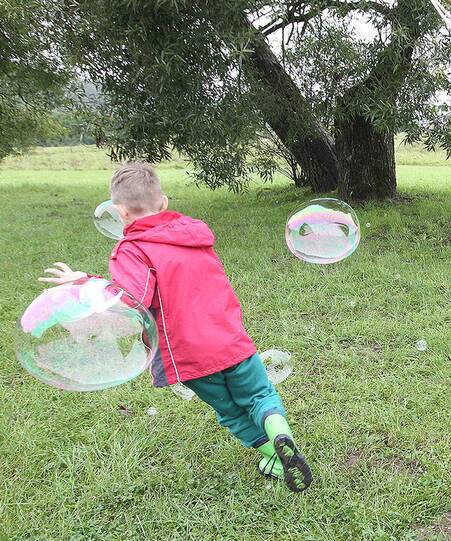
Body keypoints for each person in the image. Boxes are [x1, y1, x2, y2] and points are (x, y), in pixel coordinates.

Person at [39, 162, 312, 492]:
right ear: (164, 203)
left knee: (230, 411)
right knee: (260, 395)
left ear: (119, 212)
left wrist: (85, 282)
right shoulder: (194, 235)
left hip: (189, 354)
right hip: (231, 339)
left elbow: (131, 300)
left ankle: (275, 457)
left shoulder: (132, 249)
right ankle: (282, 436)